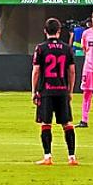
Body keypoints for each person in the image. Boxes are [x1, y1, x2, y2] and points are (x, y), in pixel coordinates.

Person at [31, 18, 77, 166]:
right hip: (62, 90)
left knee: (46, 123)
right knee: (67, 123)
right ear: (59, 31)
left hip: (46, 91)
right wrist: (70, 90)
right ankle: (72, 157)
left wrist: (34, 91)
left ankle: (47, 157)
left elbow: (36, 71)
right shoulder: (67, 49)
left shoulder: (40, 48)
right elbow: (72, 71)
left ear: (45, 31)